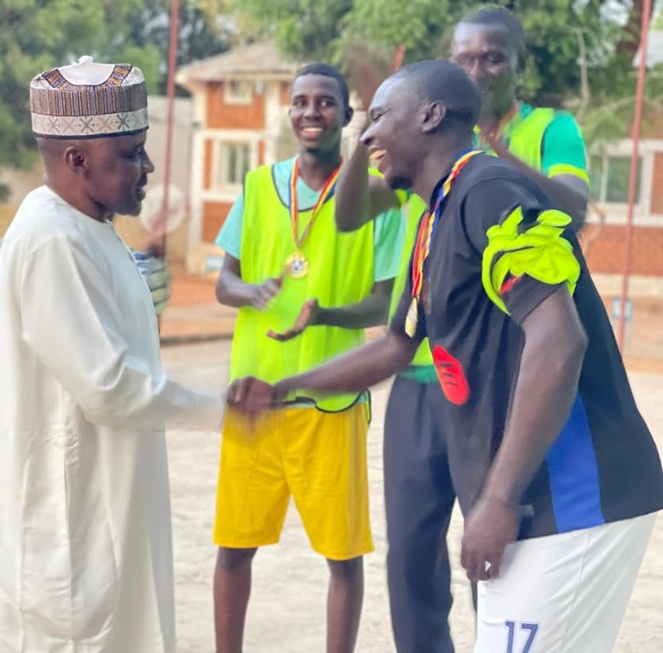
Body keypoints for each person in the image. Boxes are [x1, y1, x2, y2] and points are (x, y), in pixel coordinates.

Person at [229, 59, 663, 653]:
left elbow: (560, 340)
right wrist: (284, 388)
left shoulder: (490, 192)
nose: (369, 134)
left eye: (380, 116)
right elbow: (395, 347)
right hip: (542, 509)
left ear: (432, 116)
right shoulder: (435, 218)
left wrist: (499, 499)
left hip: (577, 496)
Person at [333, 8, 592, 651]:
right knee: (411, 556)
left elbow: (574, 211)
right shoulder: (418, 132)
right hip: (419, 375)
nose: (476, 67)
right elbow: (349, 216)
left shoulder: (547, 130)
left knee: (493, 548)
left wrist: (479, 150)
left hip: (496, 386)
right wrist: (362, 132)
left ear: (516, 64)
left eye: (492, 57)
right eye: (464, 57)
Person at [0, 57, 225, 653]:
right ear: (77, 159)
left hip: (103, 493)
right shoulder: (51, 238)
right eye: (131, 152)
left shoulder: (86, 224)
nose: (148, 166)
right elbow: (109, 388)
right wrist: (224, 410)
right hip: (65, 511)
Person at [212, 62, 403, 653]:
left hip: (330, 402)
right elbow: (225, 282)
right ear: (289, 113)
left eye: (325, 102)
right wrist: (252, 292)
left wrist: (323, 314)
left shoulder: (380, 200)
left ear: (348, 117)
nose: (310, 111)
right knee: (233, 549)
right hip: (254, 397)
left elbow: (380, 307)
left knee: (343, 557)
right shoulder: (256, 185)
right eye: (300, 101)